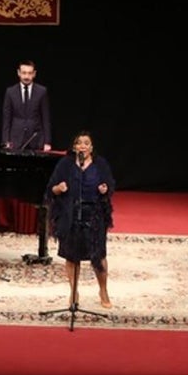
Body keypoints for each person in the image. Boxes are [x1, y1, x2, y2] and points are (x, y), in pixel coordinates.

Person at [46, 131, 115, 309]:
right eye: (79, 143)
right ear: (74, 147)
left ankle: (103, 290)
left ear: (91, 148)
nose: (83, 146)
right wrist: (59, 188)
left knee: (98, 257)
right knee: (71, 257)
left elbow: (110, 186)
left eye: (86, 143)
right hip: (70, 215)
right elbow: (50, 189)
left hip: (94, 216)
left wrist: (104, 189)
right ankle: (74, 291)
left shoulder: (100, 164)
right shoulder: (65, 164)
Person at [1, 59, 52, 151]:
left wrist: (47, 142)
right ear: (18, 73)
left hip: (36, 139)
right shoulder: (10, 92)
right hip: (15, 140)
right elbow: (7, 119)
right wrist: (6, 141)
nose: (26, 76)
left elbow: (45, 117)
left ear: (34, 74)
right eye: (24, 73)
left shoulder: (42, 91)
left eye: (29, 73)